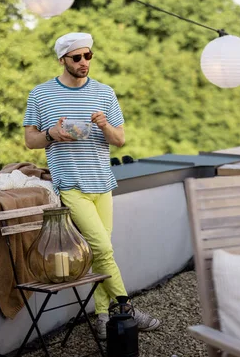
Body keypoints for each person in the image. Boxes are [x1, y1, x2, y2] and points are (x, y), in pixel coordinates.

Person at [22, 32, 160, 339]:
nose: (84, 62)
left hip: (103, 183)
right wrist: (51, 136)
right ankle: (126, 308)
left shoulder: (105, 93)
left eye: (88, 56)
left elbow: (120, 139)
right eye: (77, 58)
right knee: (102, 247)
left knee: (100, 253)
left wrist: (104, 126)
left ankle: (101, 316)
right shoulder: (41, 94)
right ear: (62, 60)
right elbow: (30, 140)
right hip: (70, 184)